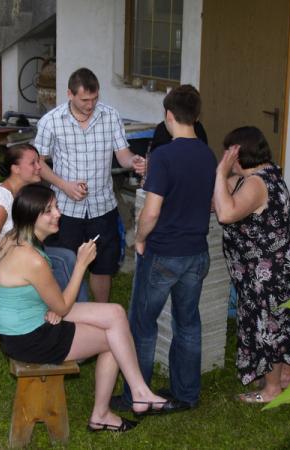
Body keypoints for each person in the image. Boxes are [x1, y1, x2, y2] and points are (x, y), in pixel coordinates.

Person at [0, 184, 184, 432]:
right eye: (48, 211)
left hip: (27, 320)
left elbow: (34, 294)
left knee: (115, 313)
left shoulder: (14, 238)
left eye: (56, 206)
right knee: (113, 340)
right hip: (29, 338)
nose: (58, 213)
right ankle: (104, 413)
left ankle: (139, 392)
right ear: (31, 217)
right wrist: (81, 265)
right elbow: (62, 306)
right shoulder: (32, 258)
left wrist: (53, 307)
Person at [111, 85, 217, 412]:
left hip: (164, 252)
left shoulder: (164, 156)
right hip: (196, 252)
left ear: (168, 115)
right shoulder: (208, 155)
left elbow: (151, 211)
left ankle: (137, 395)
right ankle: (186, 394)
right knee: (188, 323)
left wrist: (140, 238)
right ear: (196, 116)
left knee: (143, 324)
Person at [212, 126, 290, 403]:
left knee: (270, 327)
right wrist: (222, 180)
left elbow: (225, 213)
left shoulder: (256, 184)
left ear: (238, 155)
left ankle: (271, 390)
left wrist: (220, 173)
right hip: (284, 263)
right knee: (284, 322)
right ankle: (285, 377)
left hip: (270, 271)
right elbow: (222, 195)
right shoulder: (266, 173)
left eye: (228, 153)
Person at [34, 67, 146, 303]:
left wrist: (133, 161)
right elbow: (38, 163)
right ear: (70, 94)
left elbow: (123, 155)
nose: (90, 104)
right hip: (65, 209)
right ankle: (65, 312)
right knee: (65, 265)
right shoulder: (50, 121)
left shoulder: (110, 116)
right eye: (85, 100)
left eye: (94, 98)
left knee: (103, 266)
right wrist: (64, 185)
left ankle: (100, 312)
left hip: (102, 207)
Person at [0, 143, 87, 300]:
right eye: (33, 163)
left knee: (68, 257)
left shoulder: (25, 193)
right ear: (16, 169)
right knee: (50, 282)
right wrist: (26, 261)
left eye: (38, 162)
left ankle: (79, 309)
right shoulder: (0, 202)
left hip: (19, 252)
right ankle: (64, 308)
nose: (39, 167)